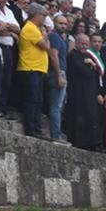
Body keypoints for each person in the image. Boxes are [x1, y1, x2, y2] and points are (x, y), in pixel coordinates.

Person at [63, 30, 101, 148]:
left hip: (89, 93)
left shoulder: (89, 57)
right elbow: (83, 71)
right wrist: (87, 65)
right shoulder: (73, 56)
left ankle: (90, 143)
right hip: (77, 92)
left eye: (86, 44)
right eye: (82, 44)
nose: (84, 46)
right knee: (78, 117)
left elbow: (95, 74)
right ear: (77, 44)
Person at [16, 2, 48, 137]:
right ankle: (31, 128)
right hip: (30, 68)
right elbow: (45, 46)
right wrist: (45, 36)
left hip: (37, 68)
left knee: (38, 101)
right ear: (35, 14)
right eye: (43, 15)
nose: (45, 18)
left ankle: (37, 128)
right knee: (32, 100)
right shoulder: (30, 28)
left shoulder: (35, 28)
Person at [44, 10, 67, 140]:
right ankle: (56, 136)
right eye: (60, 23)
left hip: (58, 72)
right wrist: (59, 75)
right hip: (57, 73)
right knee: (56, 107)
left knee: (58, 106)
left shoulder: (59, 37)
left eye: (65, 23)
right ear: (54, 23)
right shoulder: (54, 36)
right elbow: (53, 55)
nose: (63, 26)